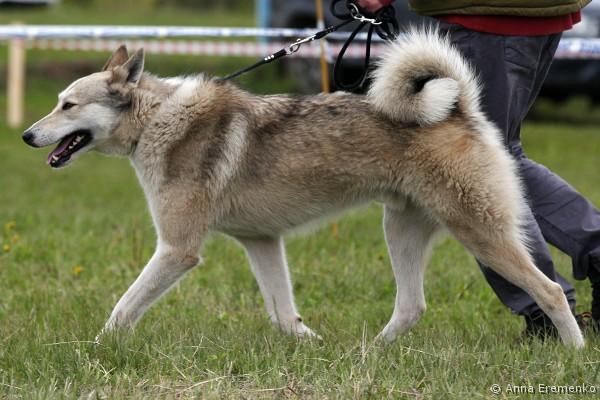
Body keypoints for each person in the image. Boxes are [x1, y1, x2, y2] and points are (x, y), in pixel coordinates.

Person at [357, 0, 599, 338]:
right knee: (502, 156)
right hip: (542, 10)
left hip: (487, 16)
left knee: (472, 168)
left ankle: (546, 311)